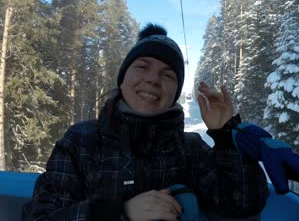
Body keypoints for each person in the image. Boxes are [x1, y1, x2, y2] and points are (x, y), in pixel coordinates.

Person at [24, 23, 269, 221]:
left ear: (175, 92)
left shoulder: (190, 148)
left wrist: (225, 133)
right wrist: (121, 213)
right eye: (142, 66)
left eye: (168, 74)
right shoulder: (80, 142)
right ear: (122, 78)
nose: (153, 79)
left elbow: (242, 204)